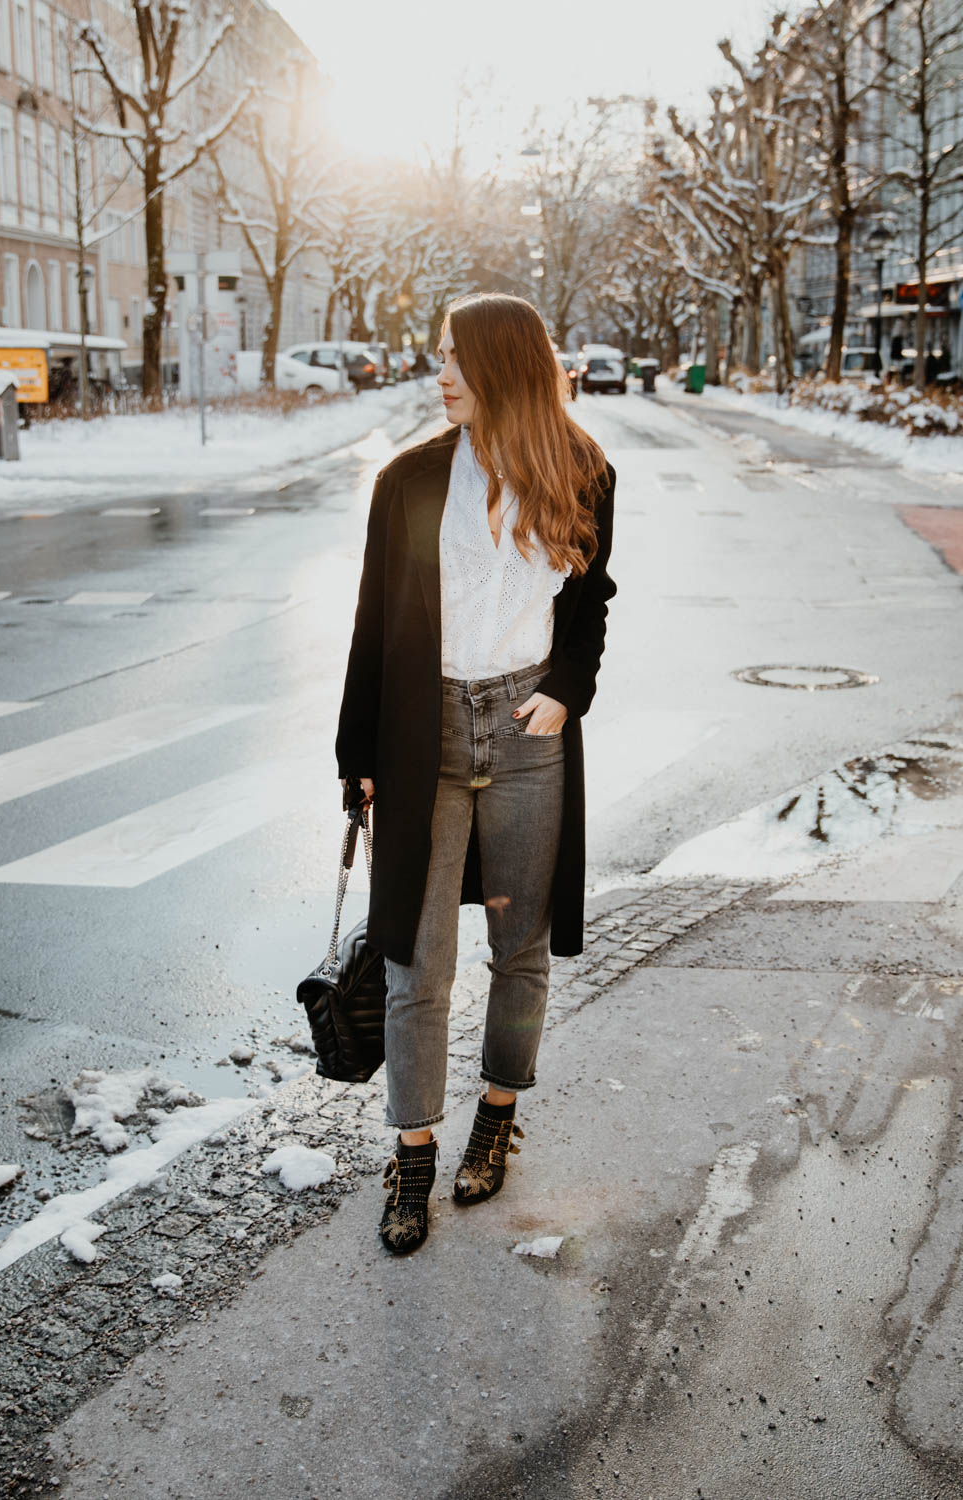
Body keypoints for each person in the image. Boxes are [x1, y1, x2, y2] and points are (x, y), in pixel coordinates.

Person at [336, 292, 616, 1255]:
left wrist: (567, 689)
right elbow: (376, 619)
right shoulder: (409, 481)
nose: (440, 372)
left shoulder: (582, 472)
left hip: (528, 727)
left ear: (504, 366)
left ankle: (496, 1116)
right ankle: (412, 1154)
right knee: (417, 961)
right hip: (426, 736)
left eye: (456, 357)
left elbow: (592, 599)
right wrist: (357, 753)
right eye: (440, 356)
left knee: (518, 949)